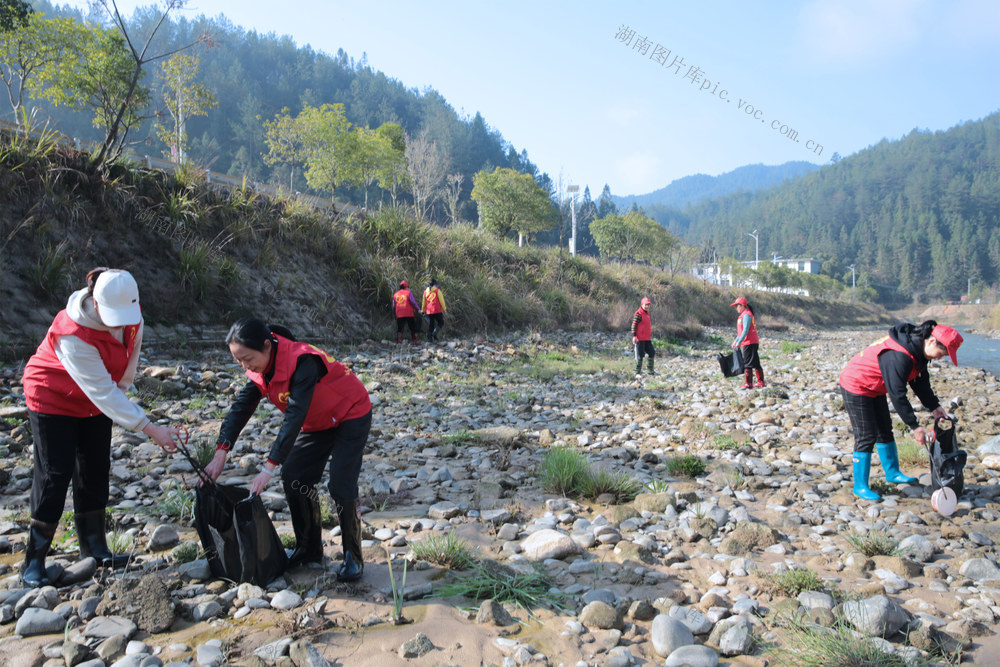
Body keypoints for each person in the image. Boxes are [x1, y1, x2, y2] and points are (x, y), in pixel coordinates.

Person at [20, 268, 183, 587]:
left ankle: (95, 549)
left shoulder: (132, 318)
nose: (119, 323)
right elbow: (102, 391)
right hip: (52, 396)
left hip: (96, 399)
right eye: (113, 316)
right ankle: (33, 562)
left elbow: (126, 368)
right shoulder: (72, 332)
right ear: (95, 301)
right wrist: (150, 428)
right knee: (55, 473)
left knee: (95, 468)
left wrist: (121, 399)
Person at [204, 318, 372, 582]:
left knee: (341, 483)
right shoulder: (260, 369)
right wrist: (221, 452)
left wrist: (267, 468)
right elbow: (241, 408)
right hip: (318, 421)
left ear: (267, 346)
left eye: (248, 359)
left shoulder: (303, 362)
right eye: (239, 362)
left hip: (350, 413)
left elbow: (294, 416)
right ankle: (309, 549)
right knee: (294, 476)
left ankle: (353, 556)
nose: (245, 367)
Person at [838, 320, 963, 501]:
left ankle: (893, 473)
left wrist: (935, 407)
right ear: (931, 341)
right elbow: (897, 395)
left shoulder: (919, 352)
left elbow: (920, 383)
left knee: (885, 430)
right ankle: (860, 486)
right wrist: (914, 426)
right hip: (857, 384)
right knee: (866, 435)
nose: (940, 358)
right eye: (941, 353)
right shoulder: (900, 355)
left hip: (877, 387)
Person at [730, 297, 765, 389]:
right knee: (755, 361)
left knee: (748, 363)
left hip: (749, 342)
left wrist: (740, 341)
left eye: (737, 306)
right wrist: (736, 340)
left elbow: (745, 330)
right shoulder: (744, 314)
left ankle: (749, 383)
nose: (736, 308)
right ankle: (760, 382)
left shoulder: (746, 315)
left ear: (742, 306)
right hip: (751, 341)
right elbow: (741, 332)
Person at [631, 297, 656, 376]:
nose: (647, 306)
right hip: (640, 338)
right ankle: (637, 372)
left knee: (652, 352)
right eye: (646, 305)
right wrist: (634, 336)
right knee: (640, 355)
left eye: (648, 305)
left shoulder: (647, 313)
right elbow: (634, 325)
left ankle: (650, 371)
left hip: (647, 338)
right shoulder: (639, 313)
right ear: (642, 304)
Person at [392, 280, 421, 345]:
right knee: (412, 327)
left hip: (399, 314)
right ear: (406, 287)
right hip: (409, 313)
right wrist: (418, 309)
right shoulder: (408, 293)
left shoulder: (395, 294)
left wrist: (395, 312)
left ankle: (399, 341)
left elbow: (394, 305)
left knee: (400, 328)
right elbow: (413, 302)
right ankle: (415, 340)